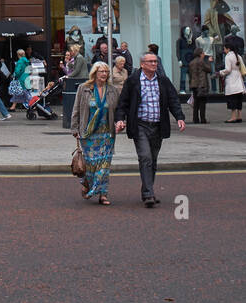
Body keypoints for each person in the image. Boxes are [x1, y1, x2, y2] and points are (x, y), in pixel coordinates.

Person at [114, 51, 185, 207]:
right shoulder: (133, 81)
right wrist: (119, 119)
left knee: (152, 160)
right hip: (140, 125)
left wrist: (179, 117)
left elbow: (173, 99)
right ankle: (148, 194)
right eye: (151, 61)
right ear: (142, 64)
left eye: (155, 61)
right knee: (145, 157)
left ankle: (148, 189)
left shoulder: (163, 80)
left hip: (158, 125)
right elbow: (123, 103)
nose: (154, 64)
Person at [72, 61, 121, 205]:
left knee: (104, 165)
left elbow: (117, 111)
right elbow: (76, 109)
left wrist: (120, 122)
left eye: (106, 72)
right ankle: (87, 184)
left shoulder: (112, 90)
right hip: (89, 133)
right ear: (95, 73)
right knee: (91, 164)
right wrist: (74, 128)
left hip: (107, 134)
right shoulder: (84, 88)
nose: (104, 74)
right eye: (101, 72)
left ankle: (103, 194)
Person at [220, 43, 246, 123]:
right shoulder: (238, 56)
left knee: (232, 99)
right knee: (239, 99)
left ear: (228, 49)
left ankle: (233, 117)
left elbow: (228, 69)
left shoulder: (228, 57)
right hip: (239, 78)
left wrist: (221, 72)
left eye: (224, 49)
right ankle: (239, 116)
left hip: (231, 79)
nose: (224, 51)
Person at [188, 47, 212, 124]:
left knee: (196, 103)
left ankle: (195, 118)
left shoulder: (191, 63)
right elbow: (208, 69)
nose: (204, 54)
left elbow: (190, 74)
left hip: (194, 84)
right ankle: (203, 119)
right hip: (201, 84)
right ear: (200, 54)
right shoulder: (202, 61)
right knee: (202, 103)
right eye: (203, 53)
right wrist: (209, 62)